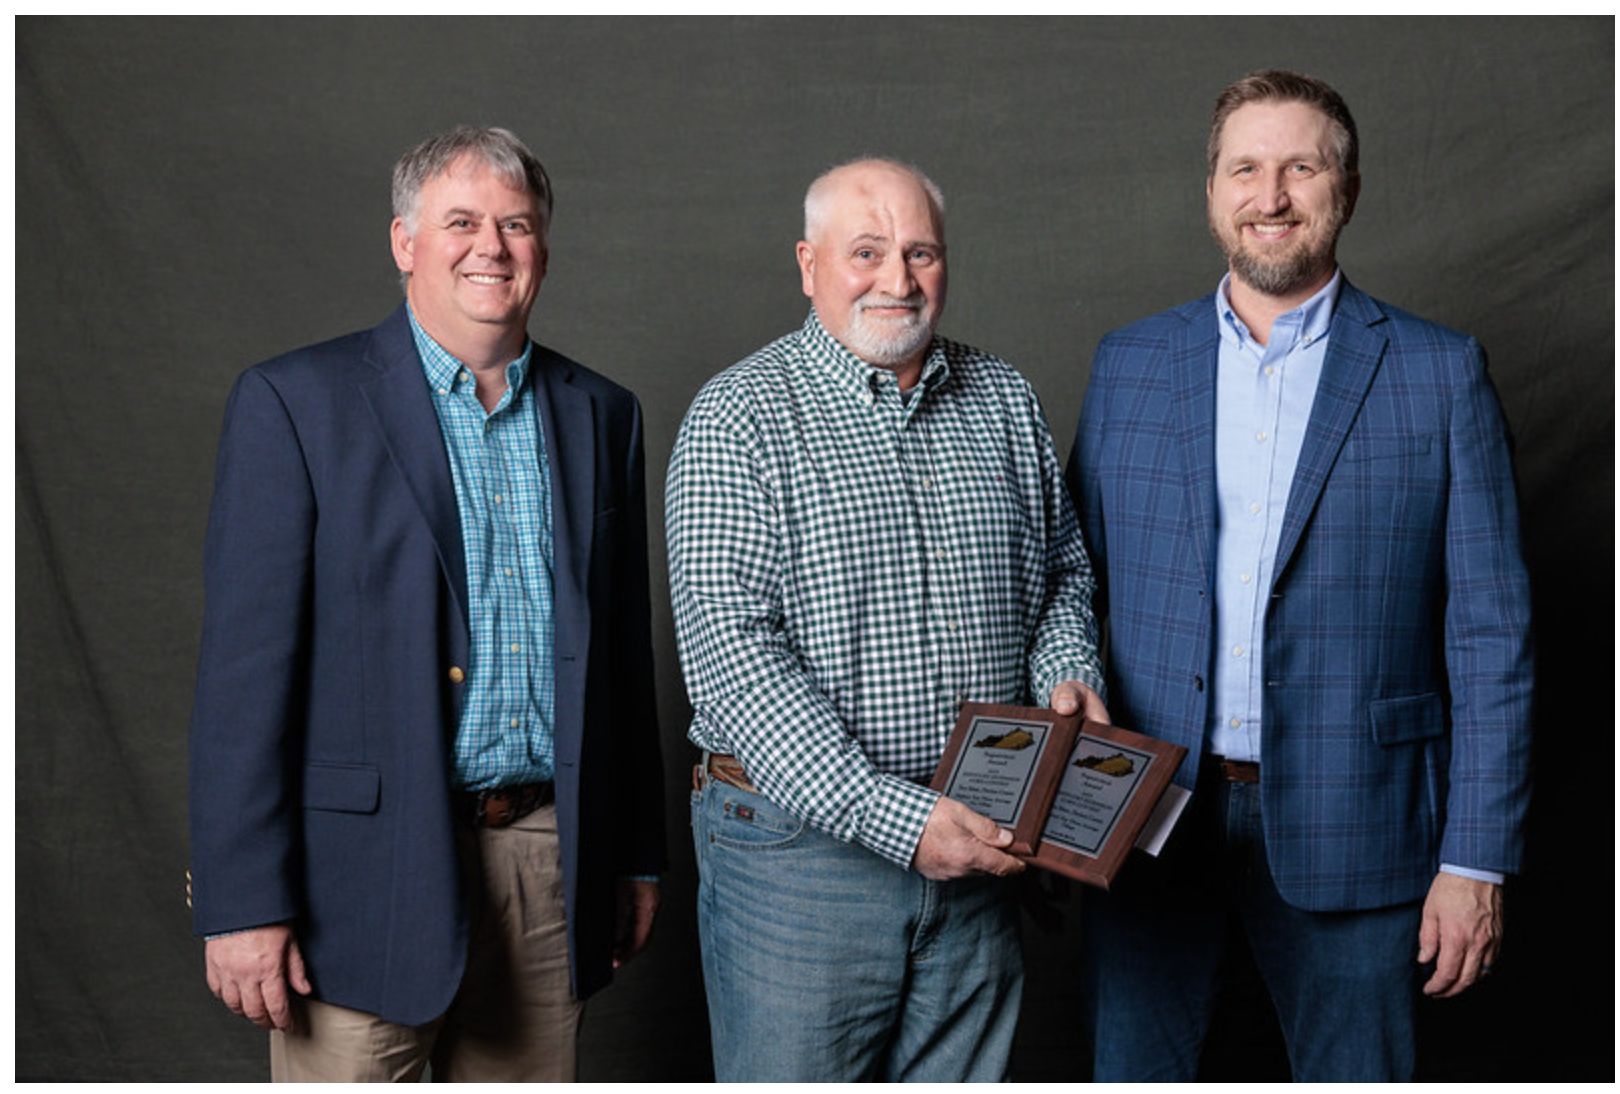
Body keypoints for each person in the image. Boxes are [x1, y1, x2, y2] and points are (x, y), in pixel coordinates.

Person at [1067, 70, 1533, 1081]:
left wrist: (1476, 858)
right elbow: (1072, 587)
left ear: (1347, 191)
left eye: (1301, 168)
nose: (1269, 195)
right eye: (1245, 168)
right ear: (1212, 192)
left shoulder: (1440, 372)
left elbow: (1492, 636)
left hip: (1363, 824)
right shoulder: (1129, 365)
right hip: (1148, 822)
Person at [187, 126, 665, 1081]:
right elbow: (244, 677)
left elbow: (621, 656)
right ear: (406, 242)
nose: (492, 247)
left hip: (547, 861)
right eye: (461, 222)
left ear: (543, 248)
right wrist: (240, 903)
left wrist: (634, 856)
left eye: (516, 225)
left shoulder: (602, 413)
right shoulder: (295, 403)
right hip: (357, 876)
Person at [666, 157, 1108, 1082]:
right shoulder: (738, 417)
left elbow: (1063, 575)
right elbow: (736, 664)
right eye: (865, 252)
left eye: (921, 253)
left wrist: (1068, 673)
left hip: (982, 847)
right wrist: (899, 823)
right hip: (800, 861)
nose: (897, 280)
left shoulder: (1003, 399)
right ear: (809, 265)